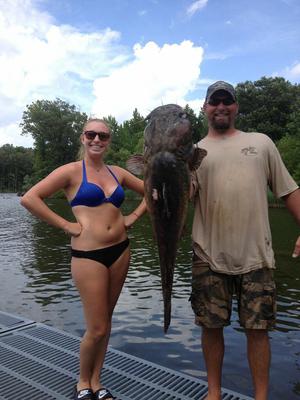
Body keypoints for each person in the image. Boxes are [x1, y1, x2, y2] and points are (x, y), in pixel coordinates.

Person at [21, 118, 147, 400]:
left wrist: (134, 216)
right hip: (88, 255)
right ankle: (82, 383)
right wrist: (67, 226)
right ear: (82, 137)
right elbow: (30, 198)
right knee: (97, 326)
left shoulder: (118, 173)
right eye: (91, 134)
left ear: (109, 140)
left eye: (103, 136)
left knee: (107, 321)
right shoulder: (70, 172)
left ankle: (98, 382)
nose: (97, 140)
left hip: (120, 250)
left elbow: (153, 190)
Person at [190, 81, 300, 400]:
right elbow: (182, 197)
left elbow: (289, 190)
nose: (221, 106)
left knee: (258, 330)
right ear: (205, 107)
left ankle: (260, 396)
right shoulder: (194, 152)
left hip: (256, 256)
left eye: (227, 100)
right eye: (214, 101)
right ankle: (214, 393)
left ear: (236, 107)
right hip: (207, 255)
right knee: (210, 328)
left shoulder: (261, 143)